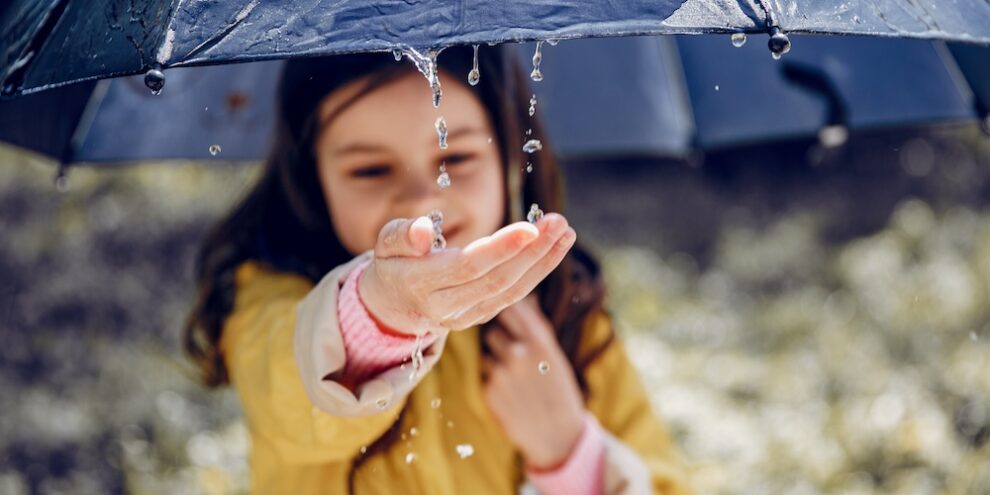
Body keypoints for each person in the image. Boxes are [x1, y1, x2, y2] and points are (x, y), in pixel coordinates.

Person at [183, 44, 692, 494]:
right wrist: (379, 314)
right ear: (313, 179)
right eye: (370, 169)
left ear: (513, 156)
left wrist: (568, 451)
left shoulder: (568, 314)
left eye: (457, 157)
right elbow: (291, 396)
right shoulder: (271, 299)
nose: (423, 201)